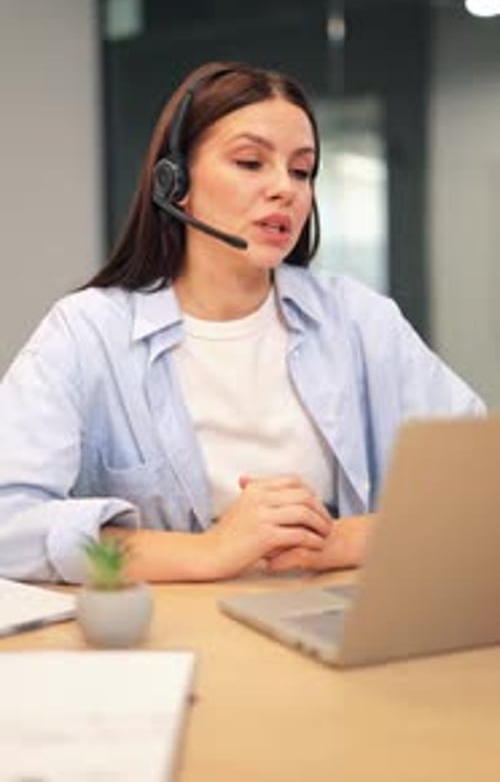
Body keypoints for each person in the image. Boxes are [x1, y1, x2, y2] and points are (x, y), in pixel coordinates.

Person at [0, 61, 484, 584]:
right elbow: (9, 526)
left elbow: (482, 484)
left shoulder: (359, 319)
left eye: (302, 171)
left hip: (329, 620)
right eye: (251, 162)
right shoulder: (87, 331)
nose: (286, 189)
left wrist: (339, 541)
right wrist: (209, 551)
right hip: (168, 636)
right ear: (175, 181)